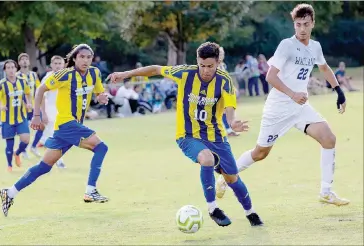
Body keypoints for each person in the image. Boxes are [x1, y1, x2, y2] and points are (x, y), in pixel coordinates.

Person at [109, 42, 263, 227]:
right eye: (202, 65)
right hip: (188, 135)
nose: (206, 70)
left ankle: (250, 212)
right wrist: (126, 74)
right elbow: (156, 69)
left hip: (216, 136)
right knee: (206, 159)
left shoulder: (224, 80)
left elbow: (229, 106)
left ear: (218, 63)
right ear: (197, 61)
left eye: (210, 66)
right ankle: (213, 208)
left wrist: (232, 122)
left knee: (232, 178)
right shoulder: (185, 73)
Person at [215, 4, 349, 207]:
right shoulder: (287, 45)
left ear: (312, 23)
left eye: (305, 24)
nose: (302, 28)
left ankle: (326, 191)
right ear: (294, 25)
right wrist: (293, 94)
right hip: (278, 109)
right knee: (260, 153)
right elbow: (270, 76)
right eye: (298, 24)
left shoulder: (315, 47)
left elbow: (324, 67)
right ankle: (225, 175)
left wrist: (338, 91)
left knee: (329, 139)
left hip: (301, 108)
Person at [0, 44, 110, 217]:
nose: (85, 60)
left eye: (89, 57)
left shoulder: (94, 73)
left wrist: (102, 96)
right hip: (67, 124)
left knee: (44, 166)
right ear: (74, 58)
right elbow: (41, 89)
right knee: (101, 147)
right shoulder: (64, 75)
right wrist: (36, 115)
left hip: (68, 128)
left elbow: (99, 92)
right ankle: (90, 190)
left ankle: (10, 192)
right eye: (82, 57)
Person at [0, 60, 32, 172]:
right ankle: (9, 165)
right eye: (8, 68)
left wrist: (28, 103)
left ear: (16, 68)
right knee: (9, 144)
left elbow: (27, 94)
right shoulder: (1, 84)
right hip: (7, 119)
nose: (11, 70)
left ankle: (17, 153)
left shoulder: (23, 81)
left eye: (12, 67)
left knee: (26, 139)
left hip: (21, 117)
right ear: (5, 70)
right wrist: (0, 106)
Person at [38, 55, 66, 168]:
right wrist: (43, 113)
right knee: (55, 135)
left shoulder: (66, 76)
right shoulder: (48, 77)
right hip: (51, 109)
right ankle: (58, 160)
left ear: (63, 65)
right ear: (51, 65)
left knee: (59, 135)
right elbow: (42, 96)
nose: (58, 66)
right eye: (56, 63)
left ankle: (43, 149)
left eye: (60, 63)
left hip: (63, 110)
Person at [16, 53, 43, 158]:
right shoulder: (17, 76)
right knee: (24, 130)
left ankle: (34, 146)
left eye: (26, 59)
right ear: (19, 63)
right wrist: (26, 103)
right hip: (22, 107)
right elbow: (19, 91)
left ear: (29, 62)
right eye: (22, 59)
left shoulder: (33, 75)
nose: (24, 61)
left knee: (41, 125)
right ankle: (23, 150)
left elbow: (39, 88)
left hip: (34, 106)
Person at [218, 47, 239, 137]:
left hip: (225, 91)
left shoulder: (223, 65)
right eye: (220, 53)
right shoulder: (213, 65)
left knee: (226, 110)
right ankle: (228, 129)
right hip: (217, 91)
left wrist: (233, 88)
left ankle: (229, 129)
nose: (222, 55)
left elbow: (226, 78)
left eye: (222, 53)